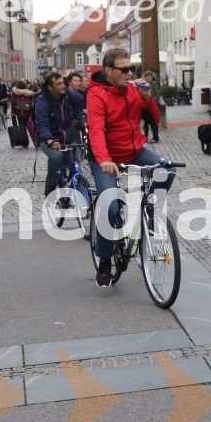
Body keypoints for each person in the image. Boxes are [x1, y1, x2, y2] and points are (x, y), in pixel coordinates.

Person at [86, 48, 176, 287]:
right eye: (124, 69)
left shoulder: (135, 90)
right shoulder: (97, 95)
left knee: (167, 170)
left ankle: (150, 211)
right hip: (105, 158)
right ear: (108, 71)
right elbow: (96, 130)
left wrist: (148, 100)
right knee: (111, 207)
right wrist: (104, 160)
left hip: (135, 151)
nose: (129, 73)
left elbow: (155, 120)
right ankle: (105, 258)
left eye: (131, 69)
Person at [35, 72, 76, 196]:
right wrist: (50, 140)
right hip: (48, 138)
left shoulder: (67, 96)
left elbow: (81, 100)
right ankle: (50, 184)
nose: (63, 86)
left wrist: (78, 118)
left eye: (63, 82)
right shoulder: (41, 101)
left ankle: (77, 185)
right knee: (56, 157)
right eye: (59, 84)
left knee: (74, 162)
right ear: (50, 87)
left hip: (67, 137)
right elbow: (42, 124)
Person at [140, 71, 161, 143]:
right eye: (147, 76)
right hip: (147, 105)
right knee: (146, 121)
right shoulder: (145, 84)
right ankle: (145, 136)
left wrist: (152, 101)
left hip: (153, 104)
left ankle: (155, 137)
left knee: (153, 121)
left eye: (149, 76)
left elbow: (158, 94)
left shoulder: (154, 83)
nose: (148, 78)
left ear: (152, 77)